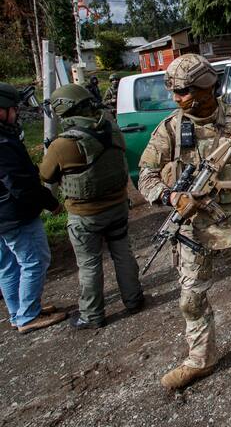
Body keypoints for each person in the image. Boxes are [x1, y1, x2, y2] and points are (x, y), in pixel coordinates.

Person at [138, 54, 231, 390]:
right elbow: (146, 175)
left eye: (183, 91)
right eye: (175, 93)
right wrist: (171, 197)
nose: (177, 99)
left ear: (207, 88)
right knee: (191, 298)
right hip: (193, 228)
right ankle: (200, 360)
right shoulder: (171, 130)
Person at [39, 84, 144, 330]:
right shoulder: (112, 130)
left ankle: (92, 314)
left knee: (89, 264)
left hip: (85, 215)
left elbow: (47, 175)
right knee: (123, 254)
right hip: (117, 206)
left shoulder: (62, 145)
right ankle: (134, 299)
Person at [0, 83, 67, 333]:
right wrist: (50, 203)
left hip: (4, 216)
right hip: (13, 215)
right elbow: (20, 184)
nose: (16, 113)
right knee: (35, 260)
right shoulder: (3, 143)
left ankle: (19, 312)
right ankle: (27, 316)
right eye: (13, 109)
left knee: (8, 264)